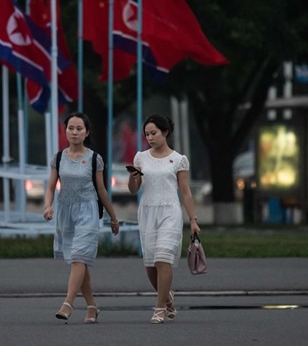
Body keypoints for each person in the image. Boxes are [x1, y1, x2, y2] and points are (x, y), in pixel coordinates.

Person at [43, 112, 120, 324]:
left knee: (78, 257)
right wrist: (48, 205)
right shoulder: (58, 158)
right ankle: (92, 306)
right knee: (79, 262)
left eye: (79, 128)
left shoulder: (95, 158)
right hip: (65, 212)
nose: (74, 132)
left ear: (87, 132)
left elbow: (102, 189)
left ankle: (67, 303)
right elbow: (51, 187)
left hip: (88, 212)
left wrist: (113, 217)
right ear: (65, 130)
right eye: (70, 128)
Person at [128, 114, 200, 324]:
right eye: (147, 134)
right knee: (150, 266)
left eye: (154, 133)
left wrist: (193, 219)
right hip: (148, 212)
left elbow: (185, 192)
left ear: (165, 132)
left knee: (163, 258)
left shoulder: (178, 159)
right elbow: (133, 190)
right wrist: (134, 179)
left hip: (170, 212)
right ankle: (167, 296)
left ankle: (159, 308)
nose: (150, 138)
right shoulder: (141, 157)